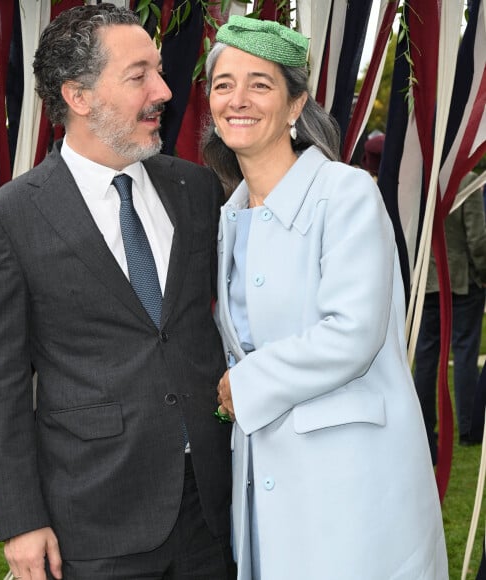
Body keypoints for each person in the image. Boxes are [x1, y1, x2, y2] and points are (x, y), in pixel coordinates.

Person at [0, 5, 235, 579]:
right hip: (95, 518)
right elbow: (1, 382)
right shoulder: (8, 218)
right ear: (79, 96)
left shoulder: (194, 188)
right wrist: (19, 521)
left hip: (212, 507)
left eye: (158, 71)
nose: (163, 90)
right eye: (139, 76)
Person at [203, 15, 448, 580]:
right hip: (264, 481)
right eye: (223, 84)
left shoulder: (346, 193)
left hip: (350, 485)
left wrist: (246, 383)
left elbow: (352, 333)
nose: (238, 99)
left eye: (260, 84)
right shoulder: (227, 217)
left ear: (295, 105)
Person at [414, 171, 486, 460]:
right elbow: (478, 237)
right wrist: (483, 273)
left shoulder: (418, 178)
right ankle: (469, 429)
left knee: (426, 359)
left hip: (425, 281)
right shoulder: (465, 178)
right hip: (462, 280)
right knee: (465, 353)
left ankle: (424, 431)